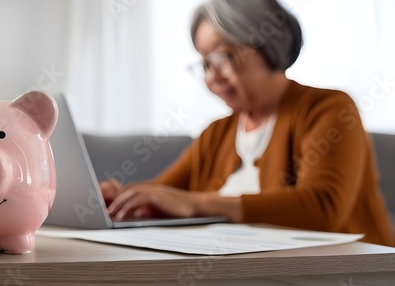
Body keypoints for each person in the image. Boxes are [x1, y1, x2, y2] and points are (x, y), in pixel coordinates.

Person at [101, 0, 393, 246]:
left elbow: (322, 208)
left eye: (221, 58)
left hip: (338, 269)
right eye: (204, 63)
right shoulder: (217, 133)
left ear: (266, 45)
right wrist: (118, 198)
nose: (211, 76)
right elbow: (164, 195)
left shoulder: (329, 108)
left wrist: (198, 203)